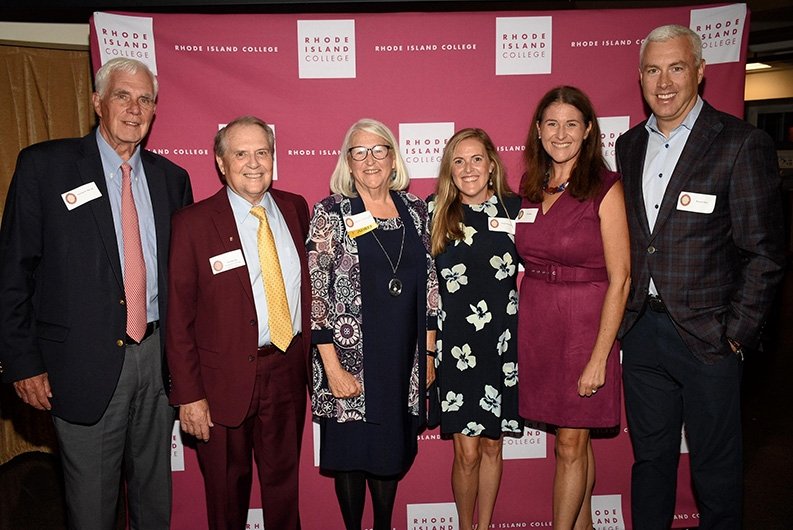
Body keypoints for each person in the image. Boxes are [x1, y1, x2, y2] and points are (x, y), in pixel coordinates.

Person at [0, 57, 192, 529]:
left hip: (156, 357)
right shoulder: (45, 167)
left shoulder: (173, 180)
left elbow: (185, 284)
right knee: (90, 507)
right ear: (97, 102)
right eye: (123, 96)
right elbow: (13, 272)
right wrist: (23, 362)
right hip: (79, 364)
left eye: (145, 99)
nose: (134, 108)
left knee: (153, 498)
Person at [616, 25, 785, 529]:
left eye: (676, 67)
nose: (663, 82)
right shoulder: (627, 147)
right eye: (652, 69)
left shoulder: (739, 142)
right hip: (642, 335)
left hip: (708, 338)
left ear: (700, 72)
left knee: (715, 471)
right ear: (640, 76)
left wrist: (736, 334)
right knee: (651, 464)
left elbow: (766, 252)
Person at [166, 116, 310, 530]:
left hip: (285, 369)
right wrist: (189, 395)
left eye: (262, 152)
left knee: (284, 491)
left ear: (273, 157)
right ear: (220, 162)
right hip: (220, 381)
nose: (253, 163)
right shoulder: (191, 223)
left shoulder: (294, 208)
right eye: (241, 153)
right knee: (227, 497)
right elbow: (178, 317)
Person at [308, 118, 438, 530]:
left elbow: (431, 285)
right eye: (358, 152)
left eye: (378, 149)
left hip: (402, 361)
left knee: (387, 452)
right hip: (349, 361)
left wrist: (430, 354)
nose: (369, 160)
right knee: (351, 452)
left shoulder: (416, 210)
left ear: (393, 155)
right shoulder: (330, 212)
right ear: (347, 161)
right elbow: (316, 296)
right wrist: (333, 370)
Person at [516, 86, 630, 530]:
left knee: (569, 445)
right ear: (538, 131)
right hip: (539, 326)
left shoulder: (606, 188)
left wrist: (600, 356)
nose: (560, 133)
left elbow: (621, 278)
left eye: (571, 124)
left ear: (587, 132)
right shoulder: (529, 189)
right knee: (573, 445)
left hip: (586, 327)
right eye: (551, 123)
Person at [427, 128, 522, 530]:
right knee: (466, 453)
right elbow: (425, 292)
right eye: (459, 161)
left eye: (476, 159)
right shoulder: (433, 212)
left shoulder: (517, 209)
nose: (468, 169)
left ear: (492, 164)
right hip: (455, 347)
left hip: (502, 344)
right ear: (449, 169)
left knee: (493, 446)